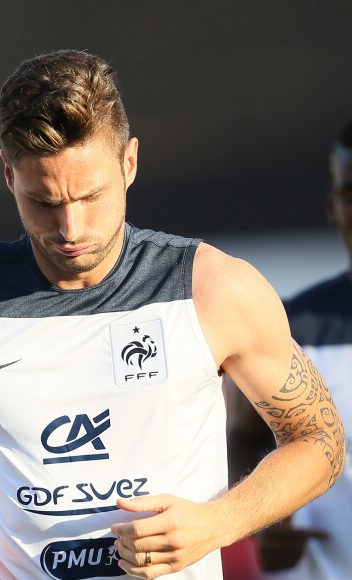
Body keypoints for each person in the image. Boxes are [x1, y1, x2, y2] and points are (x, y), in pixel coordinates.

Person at [0, 50, 345, 580]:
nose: (70, 228)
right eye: (44, 201)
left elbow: (320, 440)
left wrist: (218, 523)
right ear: (8, 175)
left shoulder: (215, 290)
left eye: (91, 196)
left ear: (130, 163)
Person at [227, 120, 352, 580]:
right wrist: (265, 523)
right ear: (332, 207)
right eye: (351, 193)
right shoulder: (290, 327)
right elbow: (243, 438)